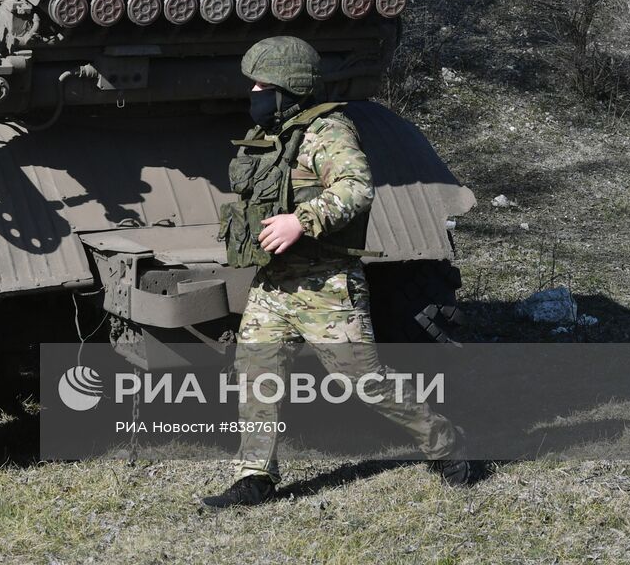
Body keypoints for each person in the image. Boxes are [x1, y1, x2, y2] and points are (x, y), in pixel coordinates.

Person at [201, 36, 473, 510]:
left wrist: (299, 222)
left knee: (365, 380)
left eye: (264, 84)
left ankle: (445, 443)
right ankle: (255, 475)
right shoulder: (276, 134)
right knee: (255, 373)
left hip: (325, 286)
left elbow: (356, 188)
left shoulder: (328, 131)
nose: (255, 93)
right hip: (274, 283)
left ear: (289, 88)